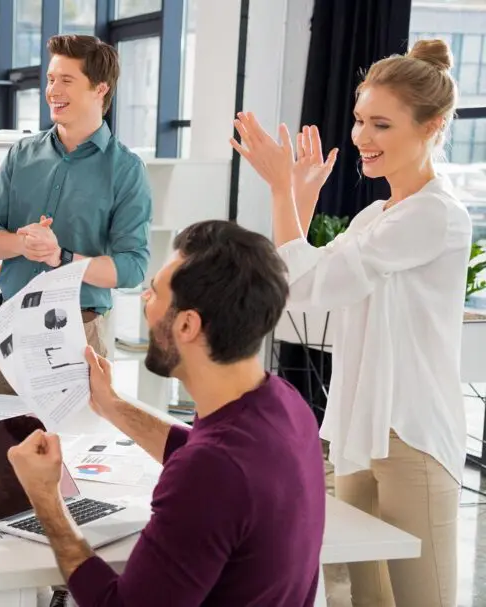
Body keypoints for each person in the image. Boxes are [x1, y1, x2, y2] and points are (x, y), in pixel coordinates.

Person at [230, 39, 470, 607]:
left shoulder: (435, 214)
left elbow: (307, 281)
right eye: (360, 119)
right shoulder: (374, 215)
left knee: (420, 600)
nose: (361, 136)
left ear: (432, 125)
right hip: (358, 428)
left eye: (381, 124)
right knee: (362, 599)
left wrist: (281, 189)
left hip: (411, 434)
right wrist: (300, 201)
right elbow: (300, 289)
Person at [6, 220, 326, 606]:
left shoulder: (211, 472)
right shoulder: (285, 403)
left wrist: (46, 501)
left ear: (187, 324)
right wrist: (113, 406)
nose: (144, 299)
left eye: (154, 292)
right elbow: (203, 453)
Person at [0, 34, 151, 395]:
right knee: (2, 444)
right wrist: (23, 244)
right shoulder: (22, 154)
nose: (53, 90)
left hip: (78, 331)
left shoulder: (126, 170)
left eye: (66, 80)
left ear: (100, 89)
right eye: (51, 79)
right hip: (13, 326)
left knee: (72, 445)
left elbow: (132, 267)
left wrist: (60, 257)